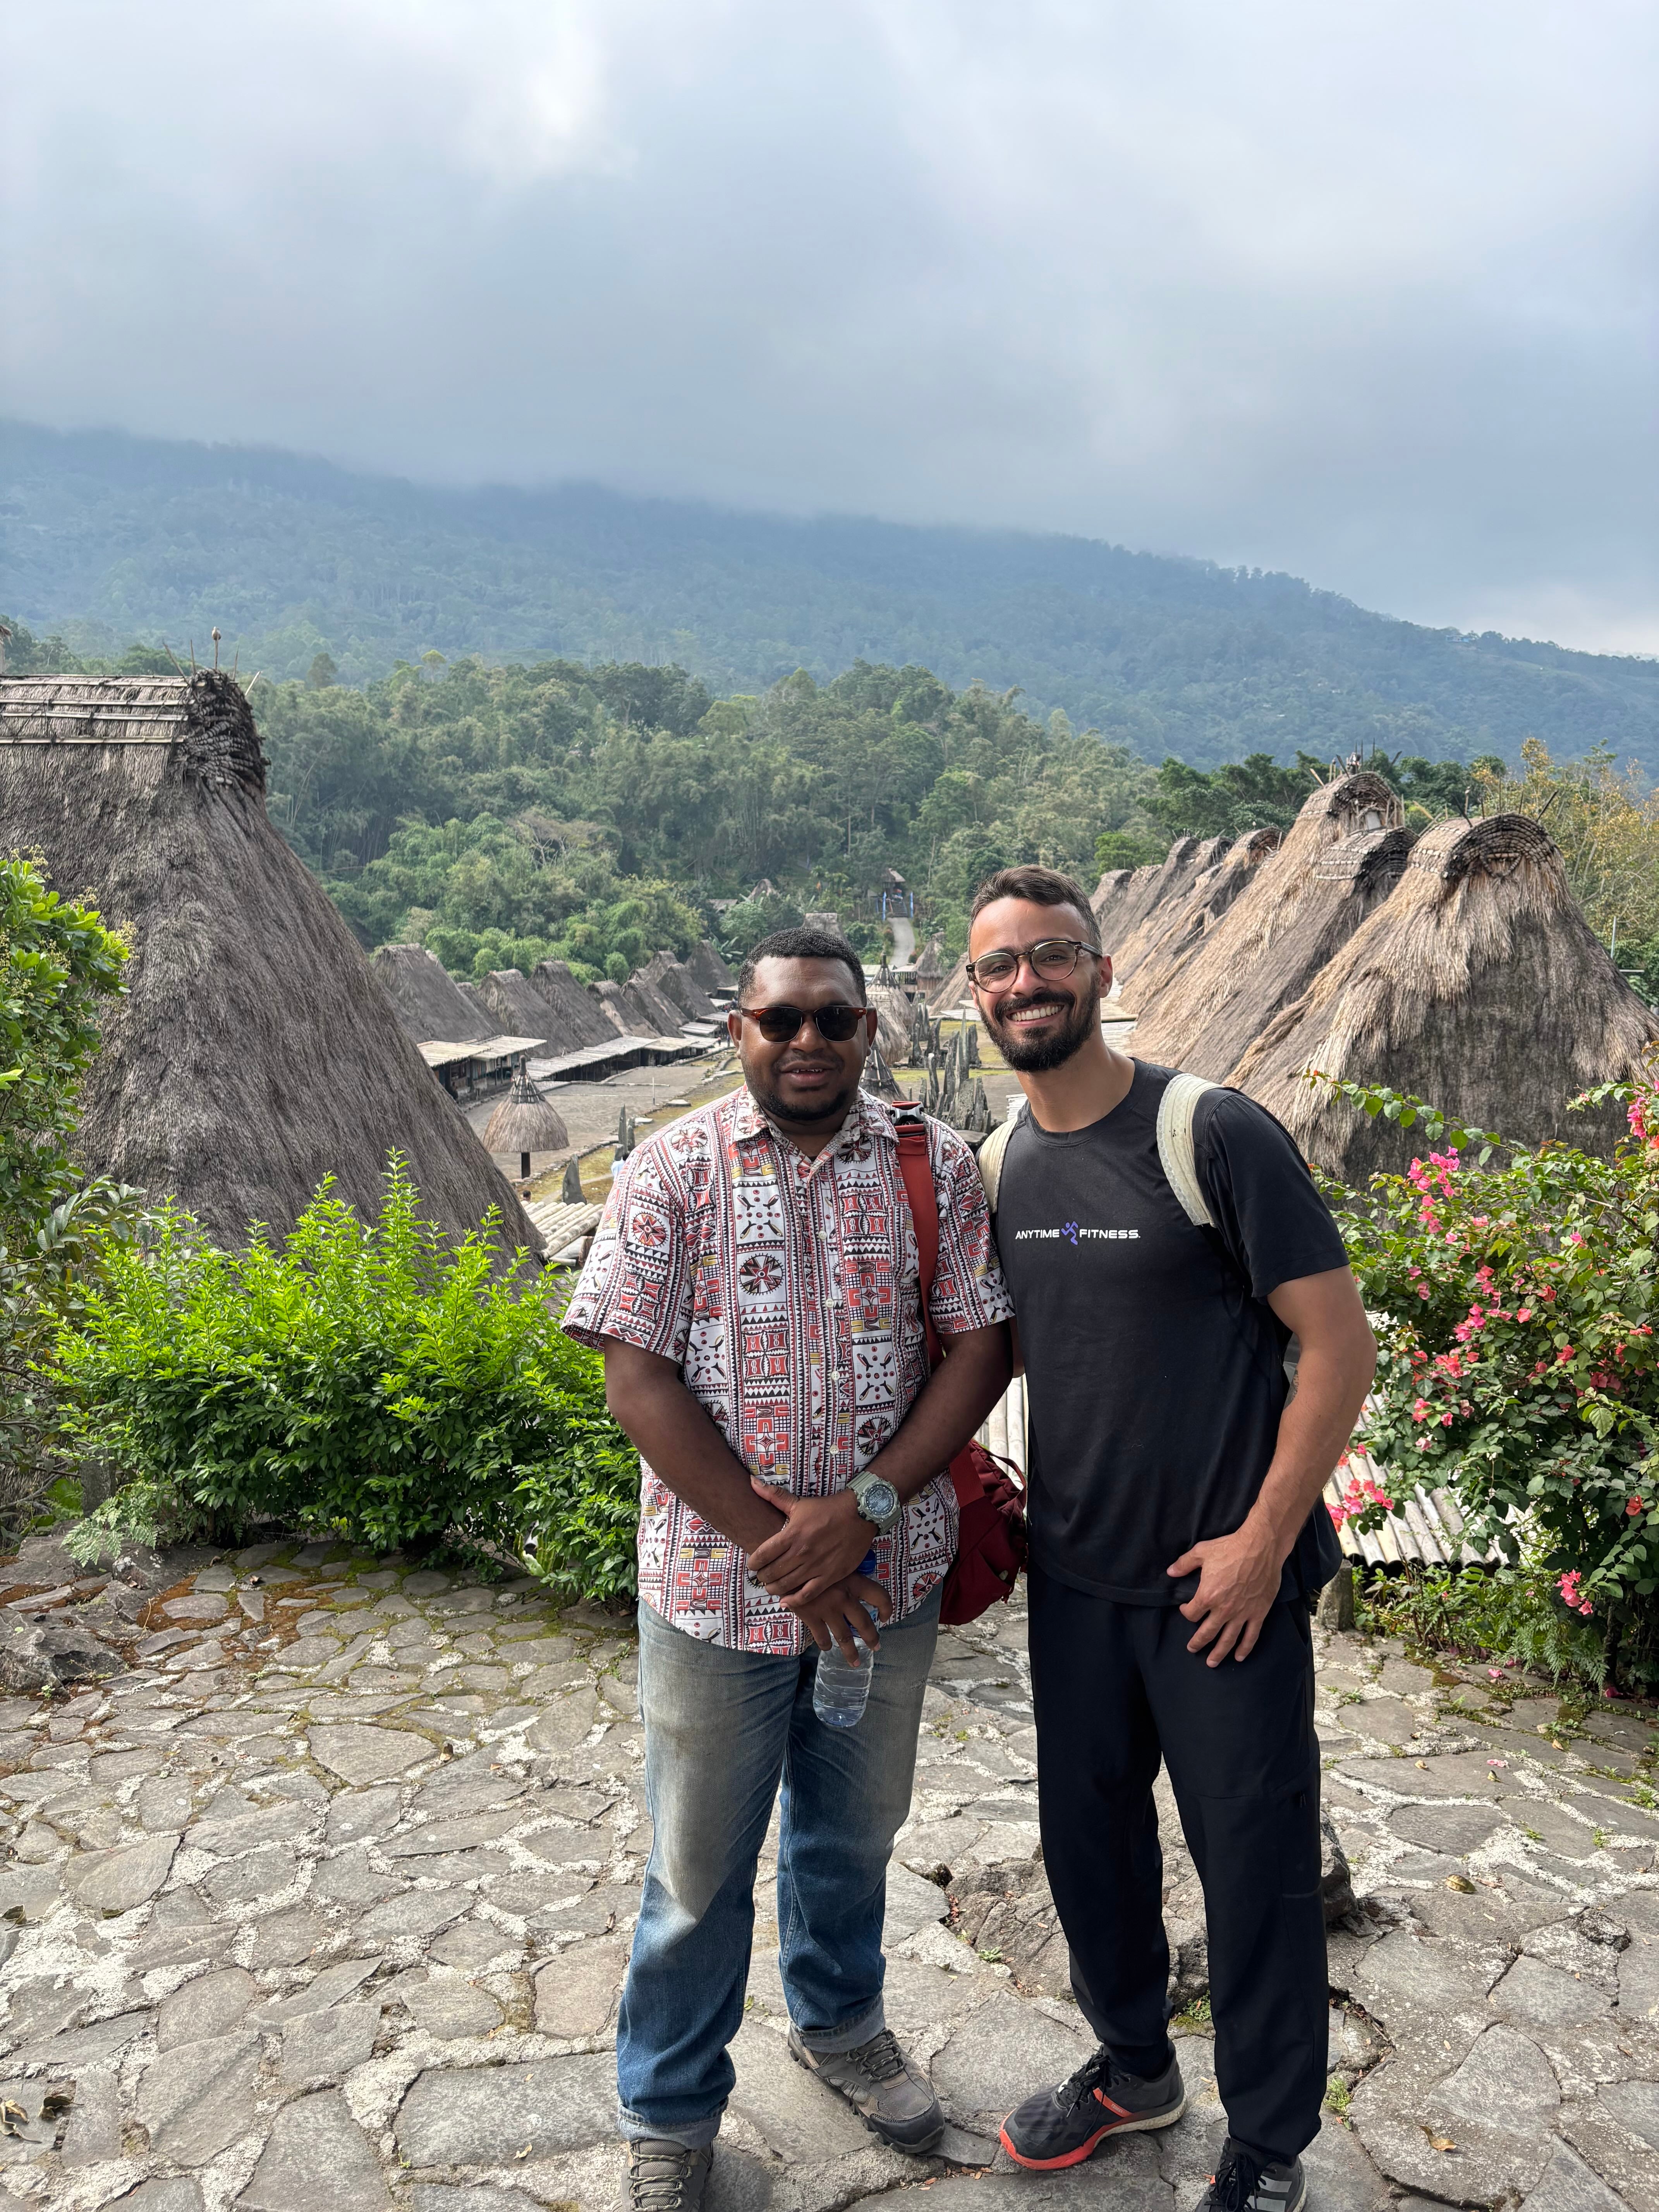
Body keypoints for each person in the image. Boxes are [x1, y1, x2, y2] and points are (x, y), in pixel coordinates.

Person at [563, 925, 1013, 2212]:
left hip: (889, 1575)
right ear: (738, 1031)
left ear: (868, 1031)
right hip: (717, 1595)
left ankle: (840, 2025)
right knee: (696, 1871)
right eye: (782, 1021)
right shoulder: (670, 1170)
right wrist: (789, 1549)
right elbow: (634, 1377)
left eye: (833, 1021)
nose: (807, 1042)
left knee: (852, 1835)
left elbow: (980, 1349)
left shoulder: (932, 1167)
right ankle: (669, 2112)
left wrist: (863, 1510)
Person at [965, 866, 1376, 2212]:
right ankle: (1135, 2069)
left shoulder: (1210, 1131)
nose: (1024, 983)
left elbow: (1335, 1346)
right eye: (997, 968)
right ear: (974, 996)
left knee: (1252, 1864)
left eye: (1049, 957)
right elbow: (996, 1359)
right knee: (1088, 1847)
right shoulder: (998, 1164)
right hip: (1074, 1579)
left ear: (1097, 969)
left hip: (1222, 1588)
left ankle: (1267, 2144)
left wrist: (1265, 1538)